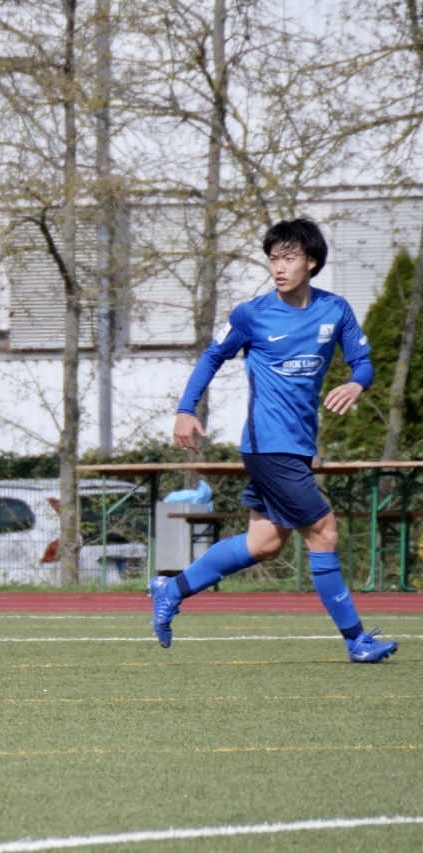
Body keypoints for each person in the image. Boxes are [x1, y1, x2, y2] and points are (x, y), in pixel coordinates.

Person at [153, 217, 398, 663]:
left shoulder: (335, 310)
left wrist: (356, 383)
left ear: (312, 262)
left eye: (288, 258)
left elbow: (363, 362)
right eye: (272, 259)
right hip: (268, 446)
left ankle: (172, 588)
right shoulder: (252, 314)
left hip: (297, 446)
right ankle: (357, 641)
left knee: (264, 543)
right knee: (324, 531)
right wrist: (186, 409)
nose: (278, 268)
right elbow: (212, 355)